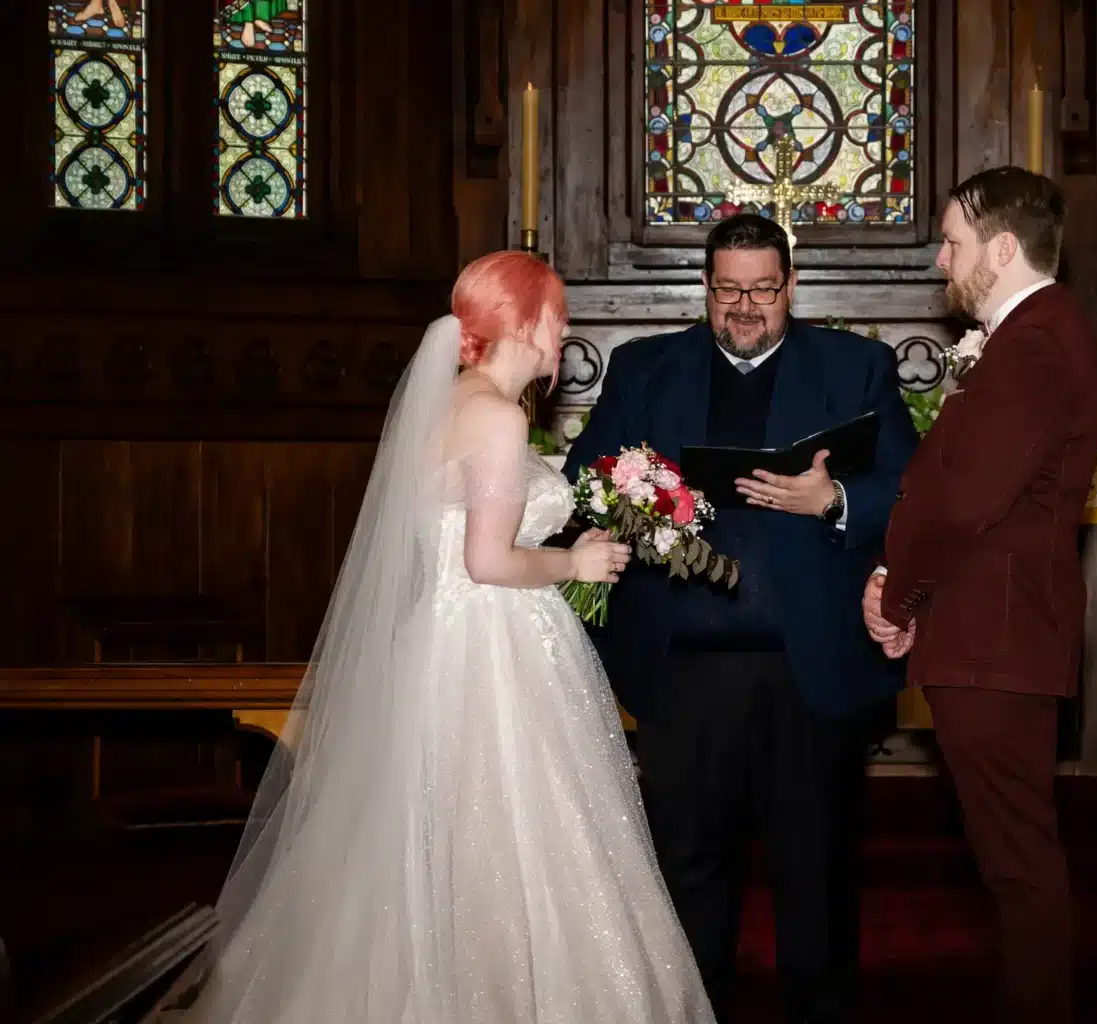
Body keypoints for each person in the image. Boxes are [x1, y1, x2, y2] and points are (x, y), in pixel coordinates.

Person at [164, 252, 714, 1022]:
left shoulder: (456, 405)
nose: (565, 332)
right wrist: (575, 558)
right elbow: (487, 560)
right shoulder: (493, 414)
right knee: (509, 836)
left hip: (448, 644)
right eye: (557, 316)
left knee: (449, 839)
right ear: (523, 321)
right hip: (495, 648)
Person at [564, 213, 918, 1023]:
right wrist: (633, 498)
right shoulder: (644, 368)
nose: (746, 307)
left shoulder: (855, 367)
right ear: (706, 288)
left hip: (810, 669)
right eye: (728, 291)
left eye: (763, 289)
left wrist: (831, 498)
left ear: (792, 286)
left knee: (816, 871)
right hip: (685, 670)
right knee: (690, 871)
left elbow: (909, 491)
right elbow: (589, 479)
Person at [863, 167, 1097, 1022]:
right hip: (989, 631)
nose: (940, 261)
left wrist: (899, 596)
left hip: (995, 637)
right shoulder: (1033, 334)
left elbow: (969, 500)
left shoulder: (1036, 341)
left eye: (954, 243)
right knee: (1013, 861)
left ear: (1002, 249)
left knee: (1018, 866)